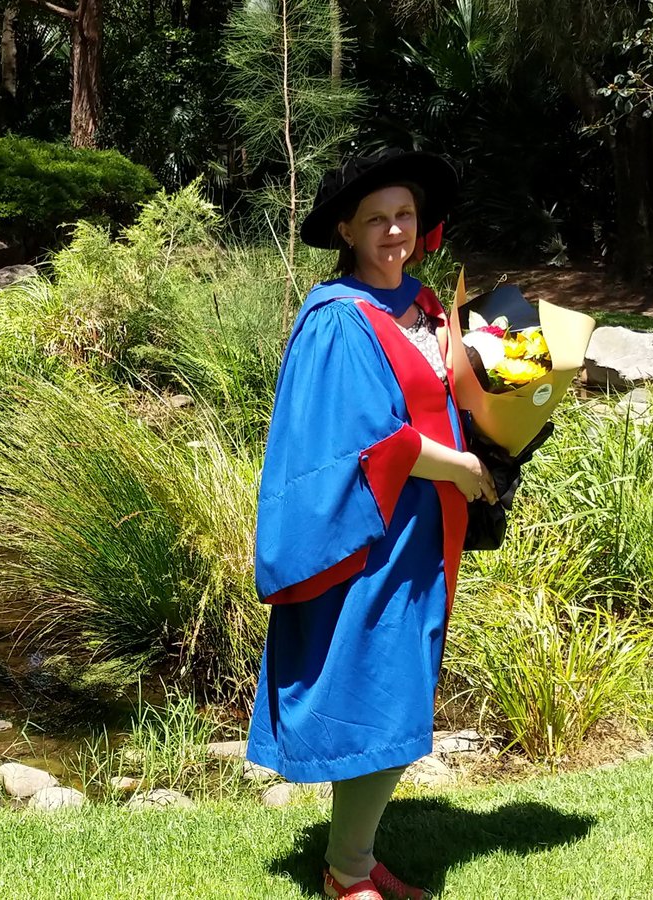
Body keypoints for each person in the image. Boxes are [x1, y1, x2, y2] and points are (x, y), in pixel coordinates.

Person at [246, 149, 497, 900]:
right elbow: (371, 440)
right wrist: (463, 470)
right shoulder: (339, 319)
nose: (394, 230)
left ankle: (354, 855)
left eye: (405, 216)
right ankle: (346, 874)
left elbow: (448, 394)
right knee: (375, 693)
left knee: (399, 688)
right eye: (377, 219)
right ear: (349, 231)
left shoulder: (420, 303)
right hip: (365, 538)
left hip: (421, 537)